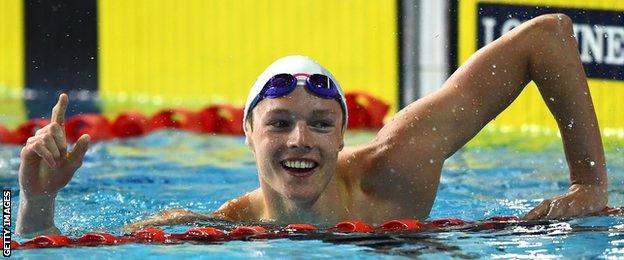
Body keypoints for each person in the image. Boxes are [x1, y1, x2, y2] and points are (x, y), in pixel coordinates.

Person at [16, 13, 607, 236]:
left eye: (321, 124)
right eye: (281, 124)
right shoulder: (216, 227)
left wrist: (589, 186)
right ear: (246, 133)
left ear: (343, 135)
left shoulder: (396, 168)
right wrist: (35, 204)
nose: (301, 141)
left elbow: (548, 38)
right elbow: (40, 252)